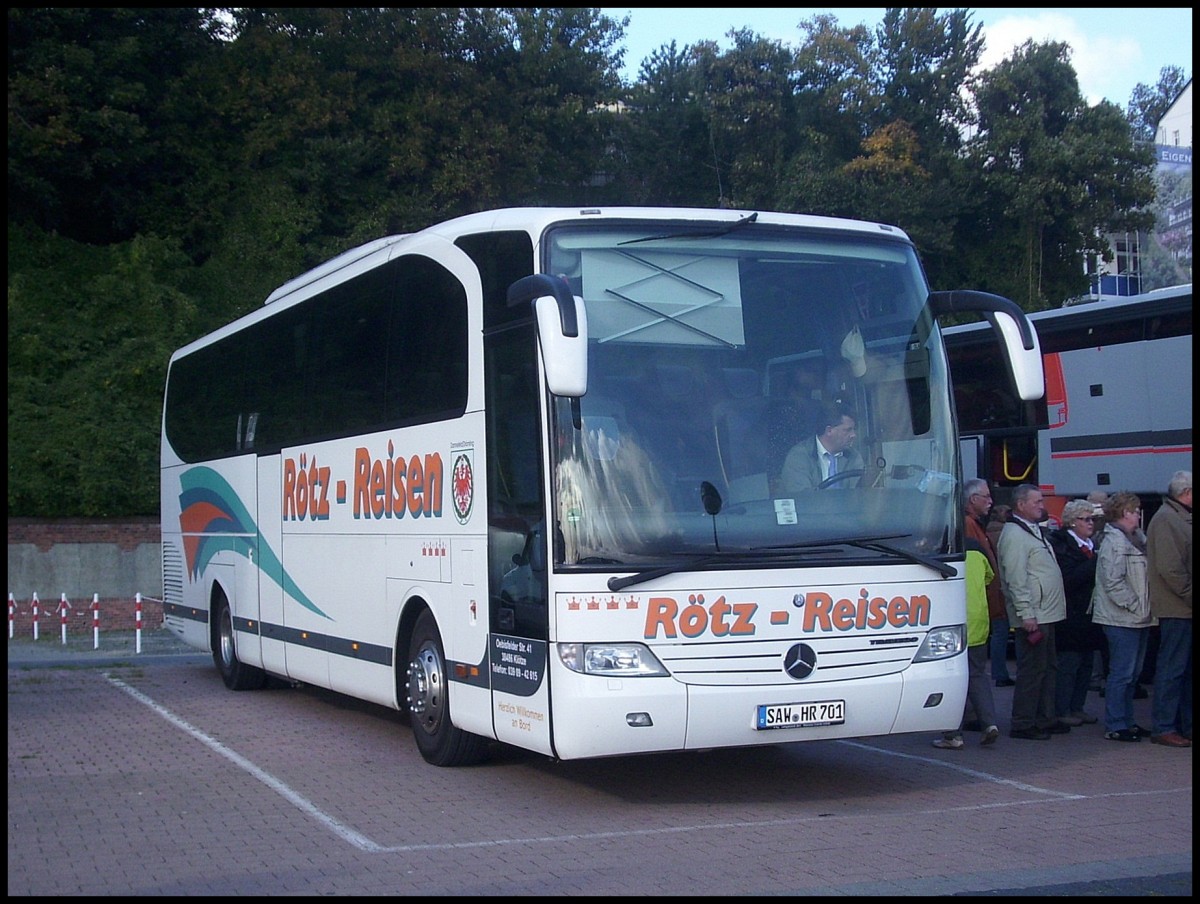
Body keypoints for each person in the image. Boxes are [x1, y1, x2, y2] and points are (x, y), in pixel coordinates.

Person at [996, 484, 1069, 740]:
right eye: (1037, 502)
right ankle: (1023, 721)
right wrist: (1026, 613)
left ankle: (1044, 717)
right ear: (1021, 505)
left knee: (1048, 667)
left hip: (1045, 611)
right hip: (1035, 614)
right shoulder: (1015, 535)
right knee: (1031, 670)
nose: (1042, 505)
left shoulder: (1030, 531)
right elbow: (1016, 578)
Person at [1090, 491, 1154, 742]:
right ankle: (1116, 723)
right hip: (1121, 618)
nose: (1138, 514)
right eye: (1135, 510)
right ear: (1124, 513)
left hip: (1139, 616)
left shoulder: (1137, 537)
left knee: (1133, 674)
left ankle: (1127, 720)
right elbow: (1112, 580)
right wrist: (1133, 603)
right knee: (1122, 673)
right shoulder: (1114, 541)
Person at [932, 535, 1000, 748]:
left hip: (950, 622)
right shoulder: (977, 549)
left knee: (949, 676)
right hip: (978, 621)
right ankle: (989, 723)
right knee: (978, 674)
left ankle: (953, 733)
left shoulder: (938, 549)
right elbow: (990, 577)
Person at [1146, 470, 1192, 748]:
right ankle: (1164, 726)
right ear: (1186, 493)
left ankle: (1184, 725)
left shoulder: (1177, 517)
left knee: (1184, 670)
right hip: (1177, 607)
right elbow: (1170, 569)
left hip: (1183, 606)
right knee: (1172, 669)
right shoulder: (1167, 519)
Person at [1048, 499, 1103, 726]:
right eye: (1086, 519)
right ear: (1072, 522)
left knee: (1086, 663)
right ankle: (1062, 708)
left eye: (1092, 519)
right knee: (1069, 664)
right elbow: (1069, 579)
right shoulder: (1063, 545)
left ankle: (1077, 706)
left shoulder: (1090, 545)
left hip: (1090, 613)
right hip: (1071, 613)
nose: (1091, 524)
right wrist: (1095, 562)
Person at [779, 401, 863, 493]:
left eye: (854, 430)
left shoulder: (854, 457)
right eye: (847, 430)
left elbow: (859, 494)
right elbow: (802, 498)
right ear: (829, 431)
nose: (853, 435)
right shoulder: (798, 456)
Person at [986, 503, 1015, 686]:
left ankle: (999, 672)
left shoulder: (987, 532)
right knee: (1001, 632)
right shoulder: (1005, 534)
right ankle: (1000, 674)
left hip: (992, 589)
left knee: (999, 632)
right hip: (1001, 590)